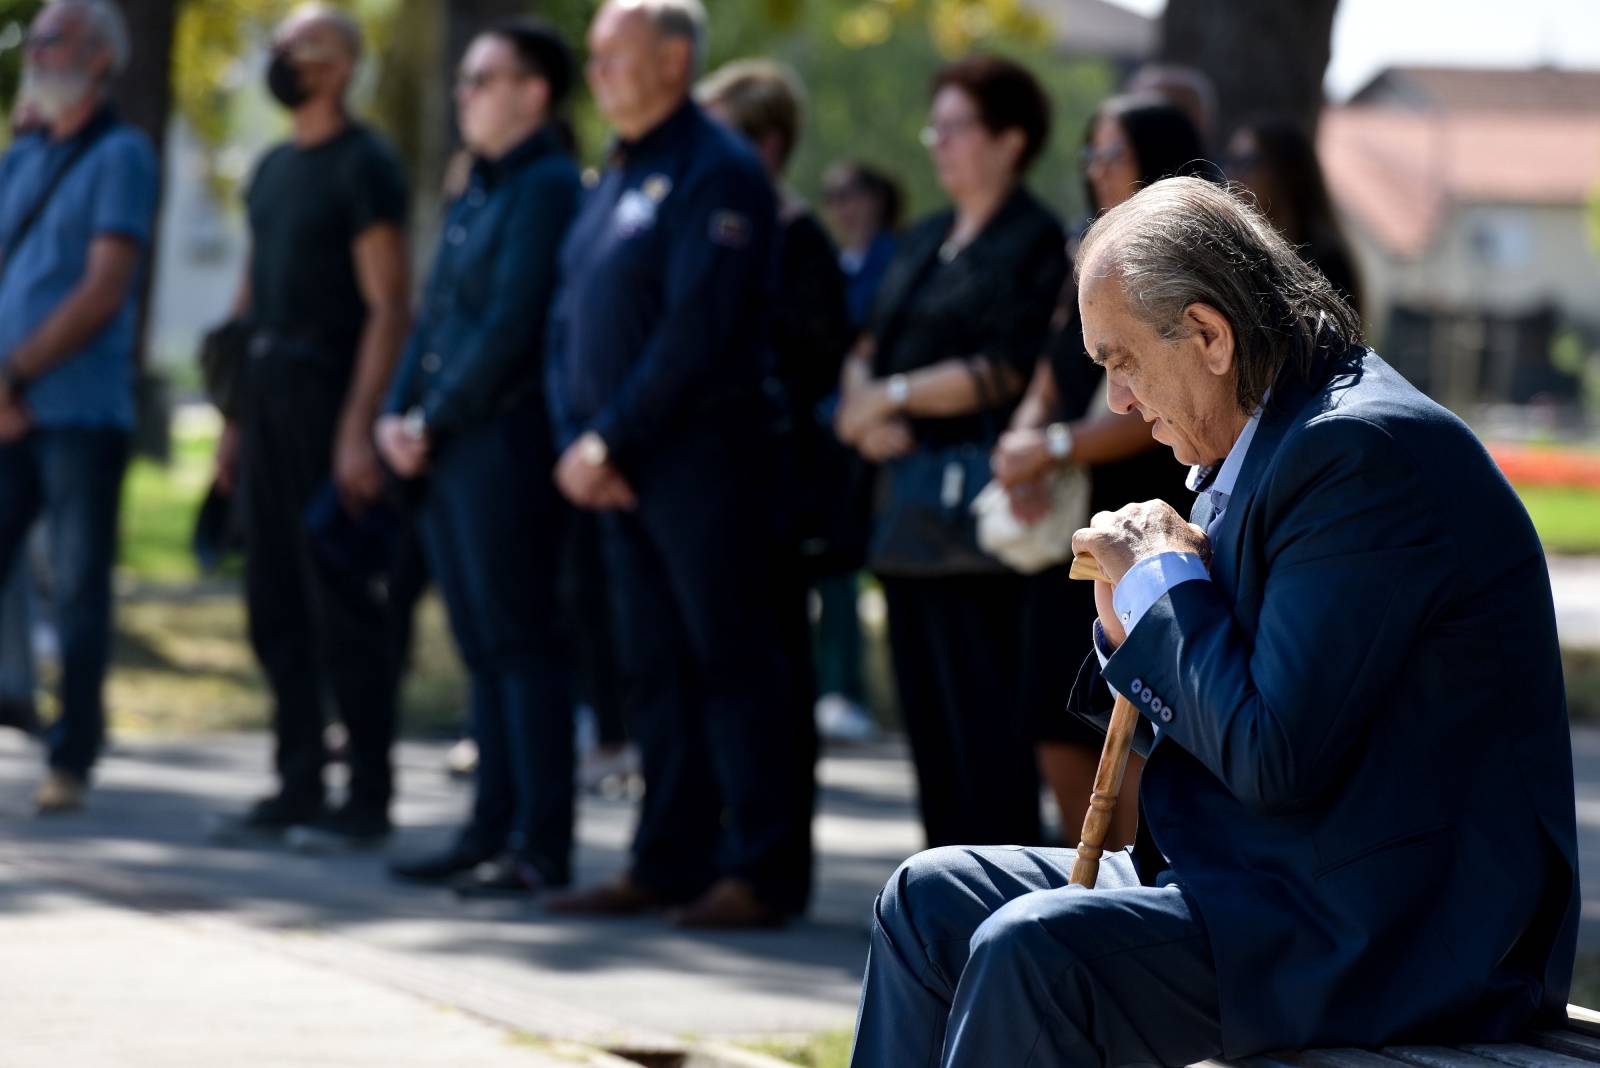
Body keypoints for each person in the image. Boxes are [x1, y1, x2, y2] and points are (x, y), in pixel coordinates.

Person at [850, 176, 1579, 1067]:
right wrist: (1131, 617)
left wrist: (1160, 580)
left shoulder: (1360, 453)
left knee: (1037, 951)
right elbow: (1219, 703)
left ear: (1208, 335)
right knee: (928, 898)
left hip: (1396, 925)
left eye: (1121, 360)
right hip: (1275, 873)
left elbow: (1271, 753)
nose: (1116, 401)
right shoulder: (1274, 429)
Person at [543, 0, 810, 929]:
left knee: (731, 662)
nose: (597, 71)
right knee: (651, 668)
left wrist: (609, 437)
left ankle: (762, 869)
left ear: (672, 58)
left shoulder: (719, 169)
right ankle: (666, 858)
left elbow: (698, 329)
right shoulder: (614, 171)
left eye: (613, 54)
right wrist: (581, 439)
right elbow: (569, 319)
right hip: (617, 466)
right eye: (594, 56)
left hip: (703, 457)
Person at [834, 55, 1067, 848]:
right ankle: (942, 907)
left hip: (981, 526)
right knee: (929, 732)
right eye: (936, 125)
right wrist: (863, 411)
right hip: (905, 515)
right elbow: (866, 343)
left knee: (985, 731)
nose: (938, 142)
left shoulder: (1036, 240)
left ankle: (995, 915)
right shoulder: (926, 235)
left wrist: (891, 397)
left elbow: (1004, 366)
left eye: (957, 126)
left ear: (1011, 139)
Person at [379, 19, 581, 896]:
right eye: (463, 80)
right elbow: (433, 317)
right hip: (448, 443)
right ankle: (487, 826)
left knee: (519, 642)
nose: (464, 95)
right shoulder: (478, 187)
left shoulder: (544, 187)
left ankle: (538, 844)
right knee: (479, 643)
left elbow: (511, 323)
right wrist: (399, 411)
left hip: (500, 442)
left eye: (483, 79)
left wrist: (433, 417)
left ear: (533, 92)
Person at [210, 3, 411, 850]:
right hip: (264, 393)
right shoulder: (270, 170)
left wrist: (356, 424)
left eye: (298, 47)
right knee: (273, 598)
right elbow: (249, 293)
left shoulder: (365, 165)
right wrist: (230, 418)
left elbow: (389, 304)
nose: (282, 59)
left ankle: (366, 796)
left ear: (337, 63)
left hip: (330, 391)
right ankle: (297, 779)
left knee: (340, 603)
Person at [992, 94, 1210, 846]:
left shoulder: (1175, 263)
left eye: (1112, 154)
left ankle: (1123, 890)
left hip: (1136, 509)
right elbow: (1051, 375)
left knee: (1133, 722)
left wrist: (1047, 449)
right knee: (1053, 719)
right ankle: (1084, 882)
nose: (1096, 170)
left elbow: (1138, 403)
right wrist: (1020, 451)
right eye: (1090, 155)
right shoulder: (1084, 256)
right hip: (1065, 525)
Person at [0, 0, 158, 812]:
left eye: (53, 38)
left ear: (98, 57)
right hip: (9, 408)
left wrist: (16, 374)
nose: (35, 49)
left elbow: (102, 290)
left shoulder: (122, 155)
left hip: (78, 413)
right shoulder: (20, 158)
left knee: (80, 583)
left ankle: (73, 753)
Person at [813, 159, 904, 743]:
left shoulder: (894, 260)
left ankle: (858, 691)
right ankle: (838, 688)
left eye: (851, 193)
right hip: (840, 438)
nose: (841, 207)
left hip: (892, 434)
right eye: (832, 195)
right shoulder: (836, 264)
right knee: (837, 570)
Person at [1226, 113, 1364, 317]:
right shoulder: (1235, 251)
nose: (1233, 175)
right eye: (1231, 161)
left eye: (1248, 162)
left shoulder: (1326, 263)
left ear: (1285, 172)